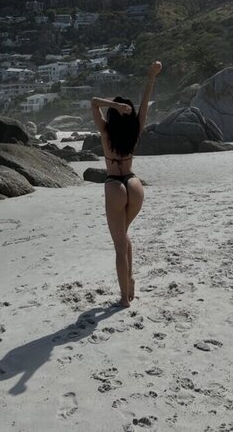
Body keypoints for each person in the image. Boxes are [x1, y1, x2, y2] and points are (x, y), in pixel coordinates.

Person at [91, 61, 162, 307]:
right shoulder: (135, 129)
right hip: (133, 184)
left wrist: (114, 105)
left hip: (114, 185)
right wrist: (152, 76)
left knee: (119, 245)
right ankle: (130, 279)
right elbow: (145, 103)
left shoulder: (105, 131)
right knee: (123, 235)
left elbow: (93, 102)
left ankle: (124, 298)